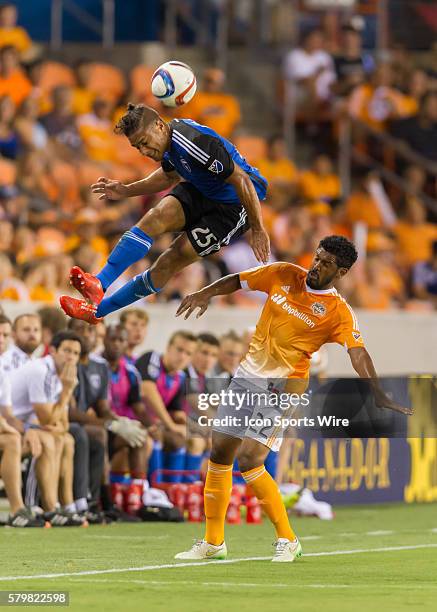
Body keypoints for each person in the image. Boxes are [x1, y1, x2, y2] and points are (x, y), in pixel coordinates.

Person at [174, 235, 412, 562]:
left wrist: (377, 391)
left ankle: (288, 540)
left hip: (284, 385)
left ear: (341, 272)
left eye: (326, 263)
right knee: (220, 451)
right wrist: (205, 292)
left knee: (251, 458)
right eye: (317, 257)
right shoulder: (285, 273)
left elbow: (358, 353)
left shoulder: (338, 311)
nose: (316, 265)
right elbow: (239, 280)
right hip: (247, 376)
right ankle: (213, 543)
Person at [59, 102, 269, 324]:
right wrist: (126, 190)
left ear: (159, 126)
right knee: (154, 217)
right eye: (137, 147)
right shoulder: (169, 145)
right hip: (203, 188)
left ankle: (98, 312)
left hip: (234, 205)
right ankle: (99, 283)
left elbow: (241, 179)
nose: (144, 152)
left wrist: (258, 228)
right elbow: (169, 177)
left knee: (173, 258)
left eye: (145, 144)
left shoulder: (194, 143)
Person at [67, 318, 147, 520]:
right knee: (98, 433)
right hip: (70, 425)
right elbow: (70, 412)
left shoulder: (99, 367)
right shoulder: (65, 363)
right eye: (79, 330)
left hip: (91, 426)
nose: (86, 334)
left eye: (91, 330)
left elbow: (103, 407)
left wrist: (120, 421)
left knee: (137, 435)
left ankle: (137, 502)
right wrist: (110, 424)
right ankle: (99, 501)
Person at [9, 331, 87, 526]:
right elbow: (47, 419)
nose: (71, 357)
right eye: (67, 351)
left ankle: (67, 505)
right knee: (48, 440)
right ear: (52, 351)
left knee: (67, 440)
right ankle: (50, 507)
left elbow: (63, 424)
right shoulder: (40, 370)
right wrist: (68, 391)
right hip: (11, 424)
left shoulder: (60, 376)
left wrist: (54, 424)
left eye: (76, 353)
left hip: (26, 425)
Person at [136, 330, 197, 483]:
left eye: (188, 353)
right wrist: (171, 425)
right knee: (158, 435)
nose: (183, 356)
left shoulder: (181, 377)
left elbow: (175, 411)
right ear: (169, 347)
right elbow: (147, 390)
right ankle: (153, 488)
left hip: (157, 423)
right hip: (135, 417)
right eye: (179, 349)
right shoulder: (152, 358)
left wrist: (188, 427)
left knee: (184, 440)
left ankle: (176, 489)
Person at [102, 325, 151, 513]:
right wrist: (117, 423)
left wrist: (152, 426)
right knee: (133, 436)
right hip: (104, 423)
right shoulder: (96, 366)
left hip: (122, 424)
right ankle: (109, 496)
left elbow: (138, 405)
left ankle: (136, 497)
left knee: (140, 436)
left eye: (121, 340)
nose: (116, 344)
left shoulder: (130, 372)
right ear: (104, 340)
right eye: (113, 339)